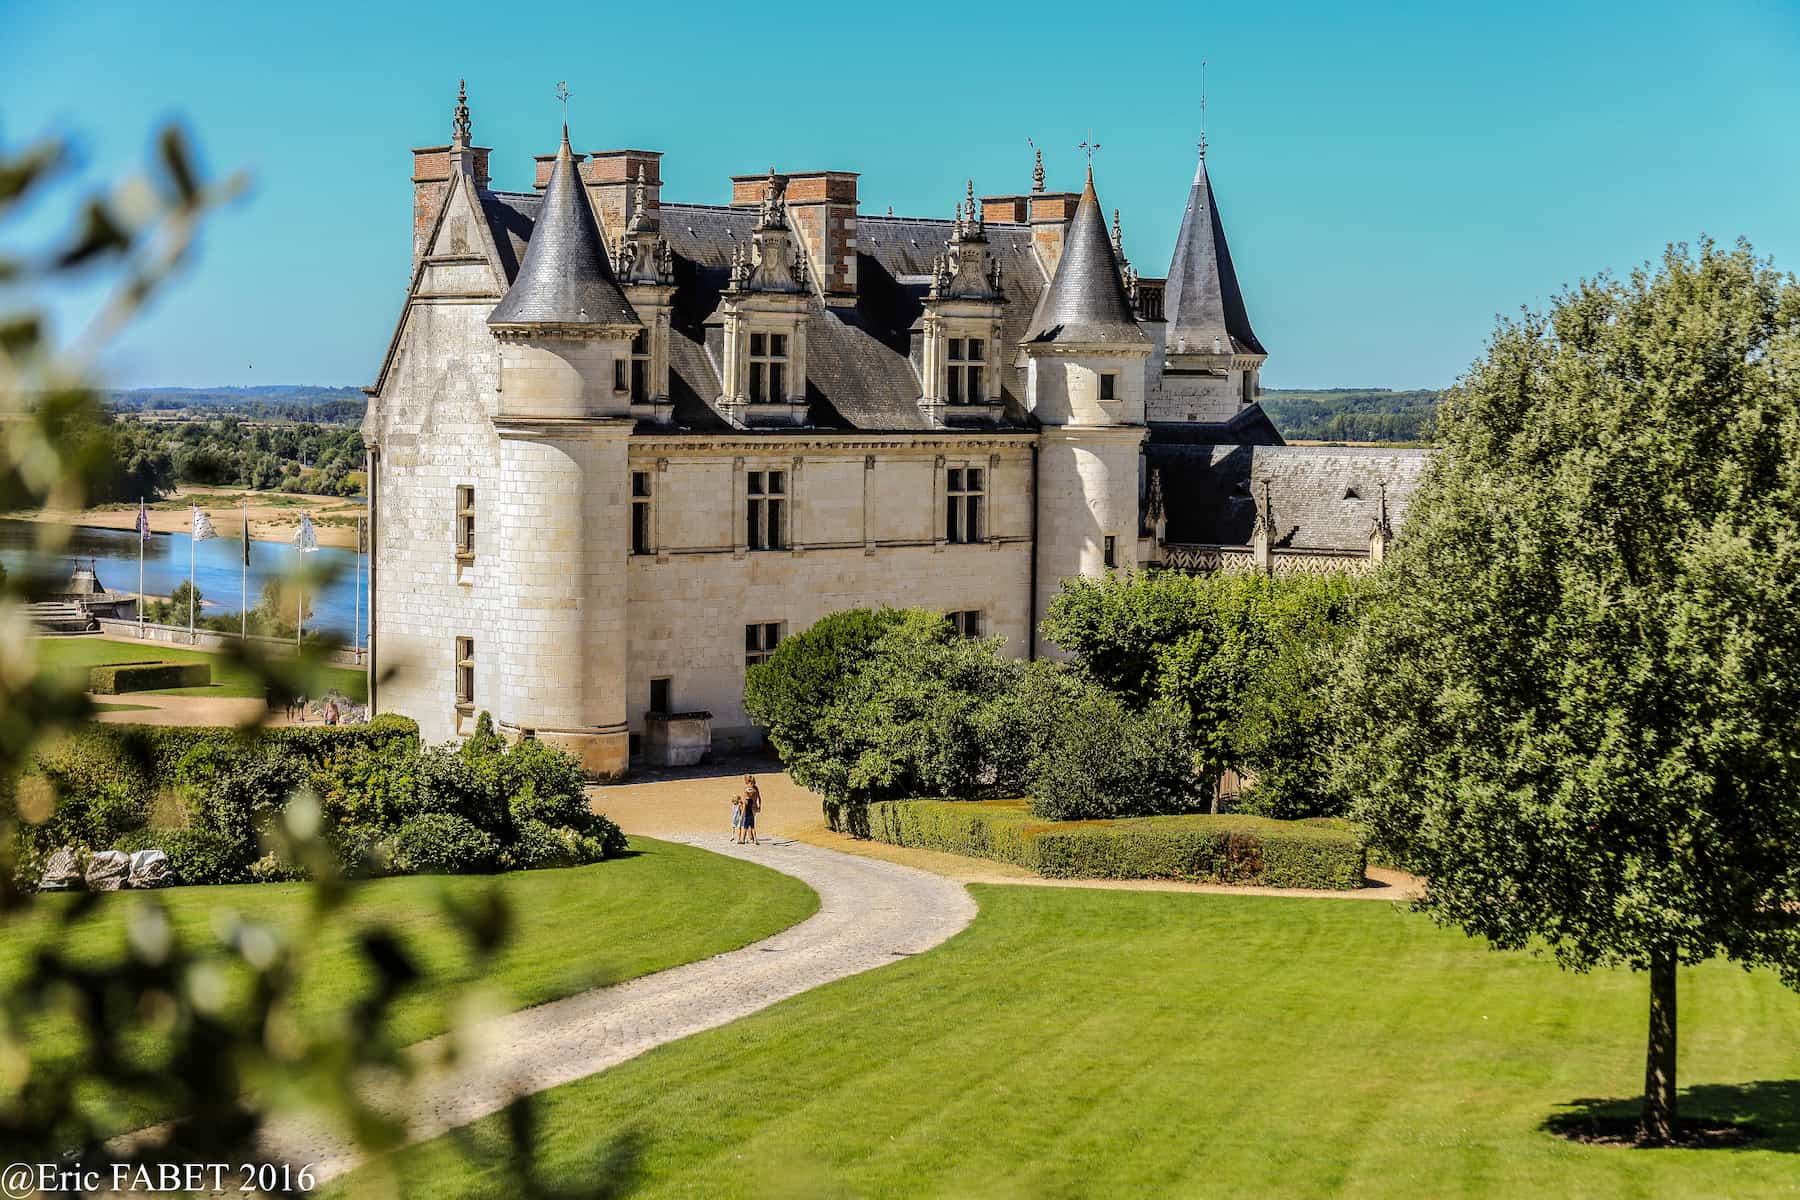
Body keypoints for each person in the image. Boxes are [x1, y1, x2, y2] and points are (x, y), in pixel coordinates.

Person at [740, 775, 761, 845]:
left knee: (746, 824)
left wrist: (742, 814)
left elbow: (745, 803)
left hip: (749, 808)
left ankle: (746, 839)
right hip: (754, 807)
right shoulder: (756, 788)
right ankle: (752, 838)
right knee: (752, 824)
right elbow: (759, 798)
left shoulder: (746, 789)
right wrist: (759, 806)